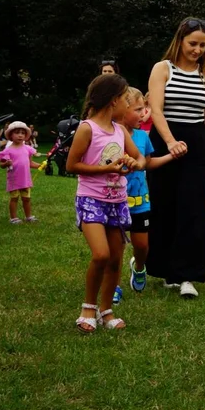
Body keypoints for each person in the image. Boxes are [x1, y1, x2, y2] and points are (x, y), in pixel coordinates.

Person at [146, 17, 205, 299]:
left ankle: (188, 275)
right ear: (180, 40)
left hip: (197, 144)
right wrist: (169, 142)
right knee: (165, 206)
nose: (197, 49)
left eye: (202, 45)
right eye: (193, 43)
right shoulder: (162, 69)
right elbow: (156, 110)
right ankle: (164, 268)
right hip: (165, 141)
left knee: (192, 208)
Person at [66, 74, 146, 332]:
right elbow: (71, 165)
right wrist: (106, 169)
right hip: (91, 200)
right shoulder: (88, 128)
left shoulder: (121, 130)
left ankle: (106, 310)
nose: (127, 104)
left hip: (117, 201)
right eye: (125, 100)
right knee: (101, 255)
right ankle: (88, 307)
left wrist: (135, 163)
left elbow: (140, 158)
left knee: (114, 259)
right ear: (113, 101)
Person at [119, 88, 178, 295]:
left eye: (144, 108)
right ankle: (114, 285)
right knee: (115, 247)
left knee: (142, 245)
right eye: (138, 109)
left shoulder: (142, 137)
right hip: (115, 200)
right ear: (121, 109)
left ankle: (139, 267)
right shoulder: (111, 136)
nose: (144, 114)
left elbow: (149, 162)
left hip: (140, 201)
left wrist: (172, 156)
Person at [0, 121, 38, 224]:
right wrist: (6, 163)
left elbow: (30, 163)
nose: (20, 135)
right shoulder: (7, 151)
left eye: (22, 133)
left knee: (26, 199)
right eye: (17, 133)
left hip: (25, 179)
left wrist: (40, 166)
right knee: (14, 198)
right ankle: (13, 218)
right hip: (14, 179)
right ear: (10, 135)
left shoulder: (28, 149)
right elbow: (1, 165)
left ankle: (28, 216)